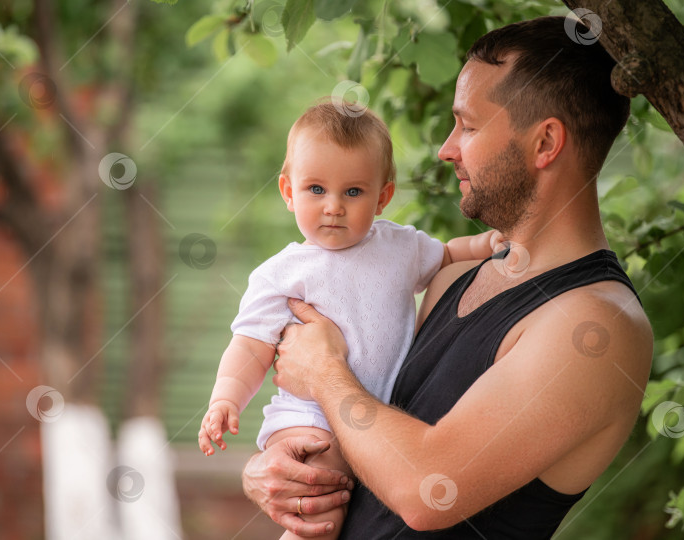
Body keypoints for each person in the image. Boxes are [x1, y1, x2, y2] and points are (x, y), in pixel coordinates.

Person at [242, 15, 654, 538]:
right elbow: (368, 434)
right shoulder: (453, 276)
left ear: (546, 143)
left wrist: (323, 370)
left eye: (469, 125)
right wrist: (276, 468)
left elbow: (428, 490)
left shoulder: (597, 326)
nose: (446, 148)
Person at [198, 101, 500, 539]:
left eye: (353, 192)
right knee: (320, 515)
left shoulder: (399, 247)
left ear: (383, 196)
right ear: (288, 191)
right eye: (316, 189)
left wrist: (491, 243)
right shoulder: (282, 273)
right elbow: (250, 345)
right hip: (308, 416)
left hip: (374, 415)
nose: (333, 207)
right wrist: (225, 399)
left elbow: (450, 254)